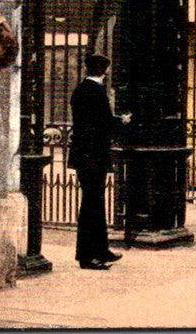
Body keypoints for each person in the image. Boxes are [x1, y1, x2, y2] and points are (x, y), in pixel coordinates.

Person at [69, 53, 131, 270]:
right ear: (105, 71)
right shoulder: (96, 92)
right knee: (92, 205)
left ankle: (101, 250)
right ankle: (87, 256)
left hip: (85, 156)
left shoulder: (81, 89)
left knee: (94, 203)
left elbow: (92, 121)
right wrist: (121, 122)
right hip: (93, 156)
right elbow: (102, 123)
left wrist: (114, 120)